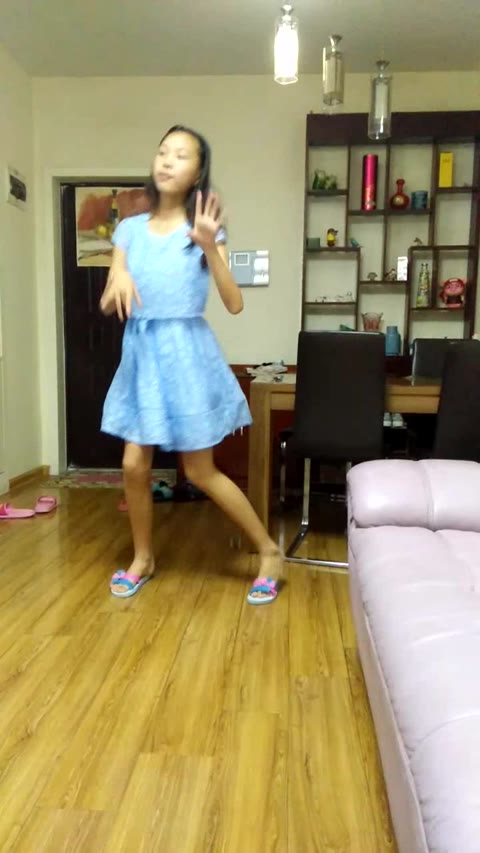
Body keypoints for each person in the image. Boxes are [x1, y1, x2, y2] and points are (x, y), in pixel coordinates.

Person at [100, 125, 282, 604]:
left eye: (181, 155)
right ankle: (143, 558)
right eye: (163, 151)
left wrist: (207, 246)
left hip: (186, 353)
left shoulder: (205, 231)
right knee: (134, 464)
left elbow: (234, 303)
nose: (167, 160)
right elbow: (109, 299)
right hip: (142, 355)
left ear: (198, 172)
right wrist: (118, 281)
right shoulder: (128, 230)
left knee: (200, 471)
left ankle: (268, 552)